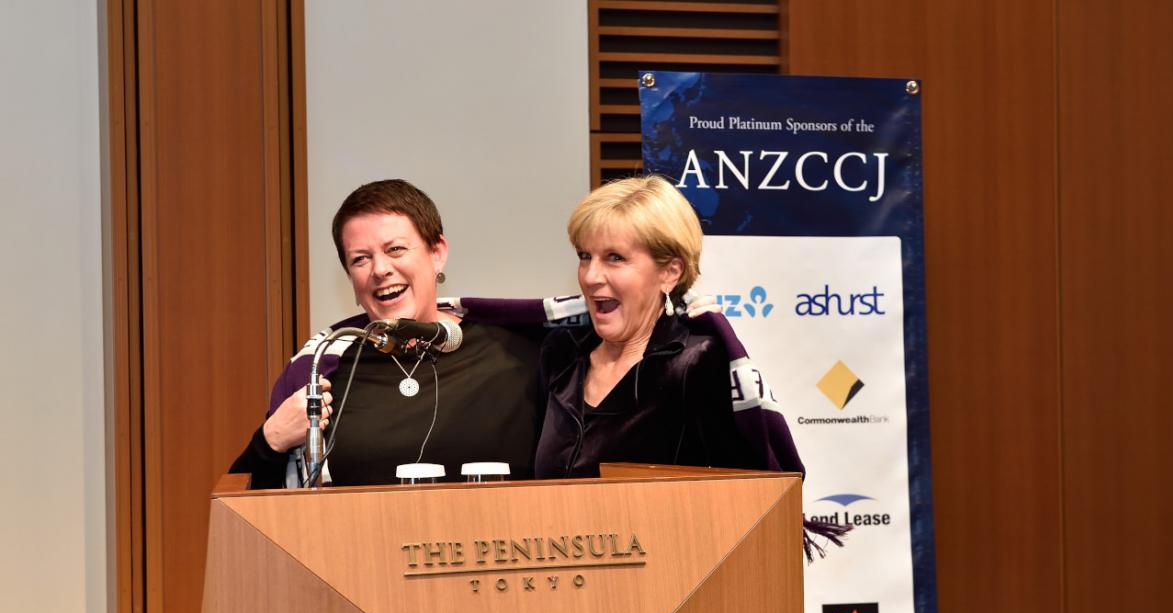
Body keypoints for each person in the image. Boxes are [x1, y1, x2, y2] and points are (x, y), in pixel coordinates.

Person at [230, 179, 546, 487]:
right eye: (360, 259)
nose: (379, 270)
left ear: (437, 253)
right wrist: (270, 440)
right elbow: (243, 507)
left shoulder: (516, 356)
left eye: (395, 249)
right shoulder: (323, 372)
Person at [534, 175, 804, 480]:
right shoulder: (561, 354)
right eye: (585, 256)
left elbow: (745, 496)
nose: (591, 275)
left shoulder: (697, 363)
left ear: (670, 272)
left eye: (615, 258)